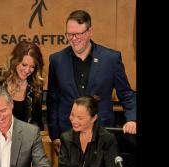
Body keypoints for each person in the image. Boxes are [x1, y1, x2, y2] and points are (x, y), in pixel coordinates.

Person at [47, 10, 136, 154]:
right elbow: (53, 100)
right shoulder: (56, 60)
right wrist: (55, 135)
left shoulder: (111, 59)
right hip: (68, 137)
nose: (73, 38)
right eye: (70, 34)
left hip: (102, 135)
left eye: (79, 34)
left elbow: (126, 94)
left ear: (90, 31)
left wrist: (132, 119)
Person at [0, 40, 45, 131]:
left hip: (20, 140)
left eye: (32, 67)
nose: (27, 70)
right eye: (24, 65)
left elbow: (36, 120)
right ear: (15, 61)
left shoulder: (35, 85)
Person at [58, 96, 120, 167]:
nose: (74, 120)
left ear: (94, 118)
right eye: (72, 115)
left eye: (80, 118)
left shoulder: (107, 139)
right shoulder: (66, 138)